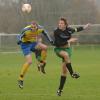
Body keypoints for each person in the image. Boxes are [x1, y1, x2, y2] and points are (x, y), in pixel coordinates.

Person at [53, 17, 90, 96]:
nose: (60, 24)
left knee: (64, 71)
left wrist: (84, 27)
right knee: (65, 55)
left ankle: (59, 90)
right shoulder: (56, 32)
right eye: (59, 23)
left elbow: (76, 29)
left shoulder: (69, 29)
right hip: (58, 49)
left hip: (67, 49)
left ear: (65, 25)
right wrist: (69, 41)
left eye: (62, 23)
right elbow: (58, 43)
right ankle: (73, 73)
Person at [17, 21, 53, 89]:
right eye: (32, 27)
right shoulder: (26, 30)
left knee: (45, 48)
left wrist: (50, 40)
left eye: (34, 27)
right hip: (25, 45)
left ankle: (41, 63)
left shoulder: (40, 28)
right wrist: (19, 40)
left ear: (37, 26)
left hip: (33, 43)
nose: (33, 28)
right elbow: (19, 36)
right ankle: (20, 79)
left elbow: (45, 33)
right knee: (29, 62)